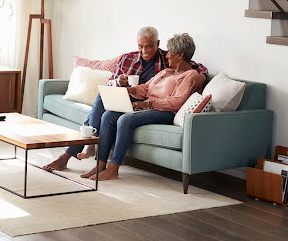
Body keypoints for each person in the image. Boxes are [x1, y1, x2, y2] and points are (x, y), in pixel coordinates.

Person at [43, 26, 208, 171]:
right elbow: (115, 83)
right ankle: (89, 144)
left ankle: (81, 148)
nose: (144, 51)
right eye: (140, 46)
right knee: (103, 97)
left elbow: (191, 65)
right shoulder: (129, 59)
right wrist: (120, 83)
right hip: (130, 96)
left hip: (146, 104)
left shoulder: (167, 59)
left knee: (109, 115)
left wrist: (202, 76)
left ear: (157, 44)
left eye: (148, 46)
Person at [81, 33, 199, 180]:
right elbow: (146, 88)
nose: (167, 56)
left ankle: (114, 168)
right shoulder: (166, 72)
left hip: (166, 112)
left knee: (125, 120)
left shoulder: (190, 76)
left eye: (170, 53)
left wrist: (148, 104)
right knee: (108, 115)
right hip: (148, 107)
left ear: (180, 55)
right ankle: (100, 165)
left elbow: (178, 101)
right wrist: (128, 90)